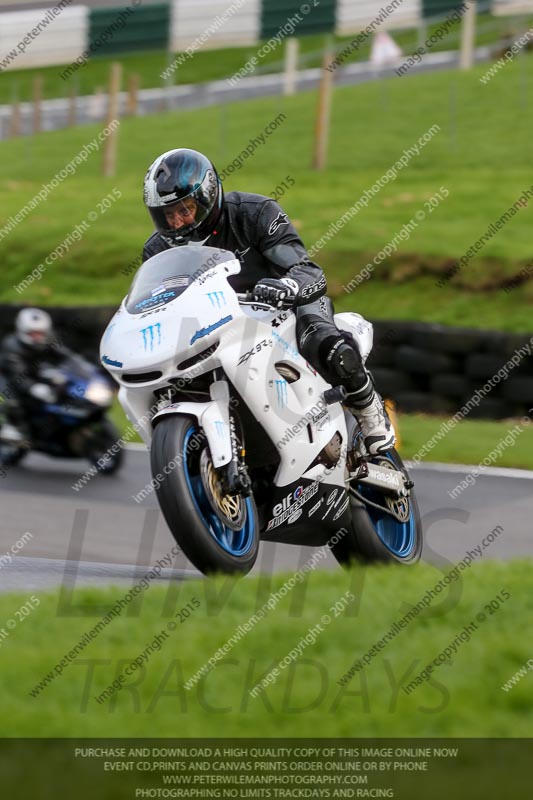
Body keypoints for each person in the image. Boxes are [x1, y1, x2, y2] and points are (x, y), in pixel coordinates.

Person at [142, 148, 395, 455]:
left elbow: (307, 270)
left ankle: (369, 410)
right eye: (168, 215)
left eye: (186, 210)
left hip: (285, 306)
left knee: (324, 343)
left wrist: (286, 286)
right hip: (222, 325)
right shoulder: (157, 251)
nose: (178, 222)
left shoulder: (255, 213)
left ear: (208, 196)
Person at [0, 308, 70, 442]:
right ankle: (8, 426)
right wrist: (33, 387)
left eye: (40, 333)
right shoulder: (11, 346)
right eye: (33, 333)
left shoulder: (48, 340)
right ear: (22, 331)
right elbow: (17, 376)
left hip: (32, 373)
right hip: (7, 376)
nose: (37, 337)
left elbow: (65, 356)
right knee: (8, 398)